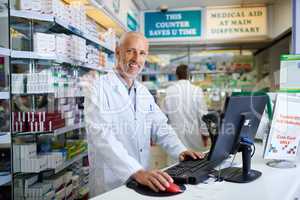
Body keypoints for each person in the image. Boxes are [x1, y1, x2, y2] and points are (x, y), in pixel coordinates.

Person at [84, 32, 205, 197]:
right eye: (130, 51)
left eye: (142, 53)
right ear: (118, 52)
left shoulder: (143, 92)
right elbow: (101, 136)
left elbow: (160, 127)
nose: (136, 58)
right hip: (111, 183)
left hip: (144, 180)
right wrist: (135, 171)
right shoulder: (97, 88)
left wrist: (180, 150)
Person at [163, 64, 210, 153]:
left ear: (176, 76)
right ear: (189, 76)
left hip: (176, 139)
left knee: (176, 164)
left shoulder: (169, 91)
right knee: (196, 163)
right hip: (195, 137)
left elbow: (163, 117)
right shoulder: (197, 90)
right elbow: (203, 116)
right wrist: (205, 135)